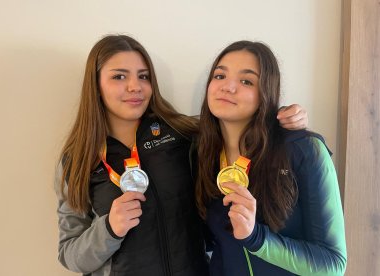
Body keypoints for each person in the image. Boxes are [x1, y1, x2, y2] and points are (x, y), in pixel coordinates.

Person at [54, 35, 308, 276]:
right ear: (96, 85)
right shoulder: (77, 160)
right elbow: (69, 254)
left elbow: (237, 123)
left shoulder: (182, 134)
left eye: (143, 77)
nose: (135, 86)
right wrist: (109, 229)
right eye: (119, 76)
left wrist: (281, 116)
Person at [195, 40, 347, 276]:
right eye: (219, 76)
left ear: (266, 91)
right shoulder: (202, 152)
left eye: (246, 81)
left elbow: (332, 264)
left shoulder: (304, 150)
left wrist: (256, 238)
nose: (228, 87)